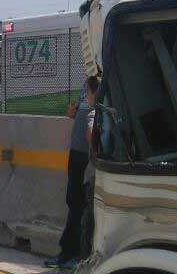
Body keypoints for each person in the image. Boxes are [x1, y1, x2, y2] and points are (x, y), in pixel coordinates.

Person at [46, 75, 100, 270]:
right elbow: (72, 113)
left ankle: (77, 254)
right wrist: (72, 109)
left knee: (80, 204)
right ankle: (66, 252)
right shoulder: (86, 85)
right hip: (76, 153)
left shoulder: (103, 83)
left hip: (89, 156)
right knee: (73, 201)